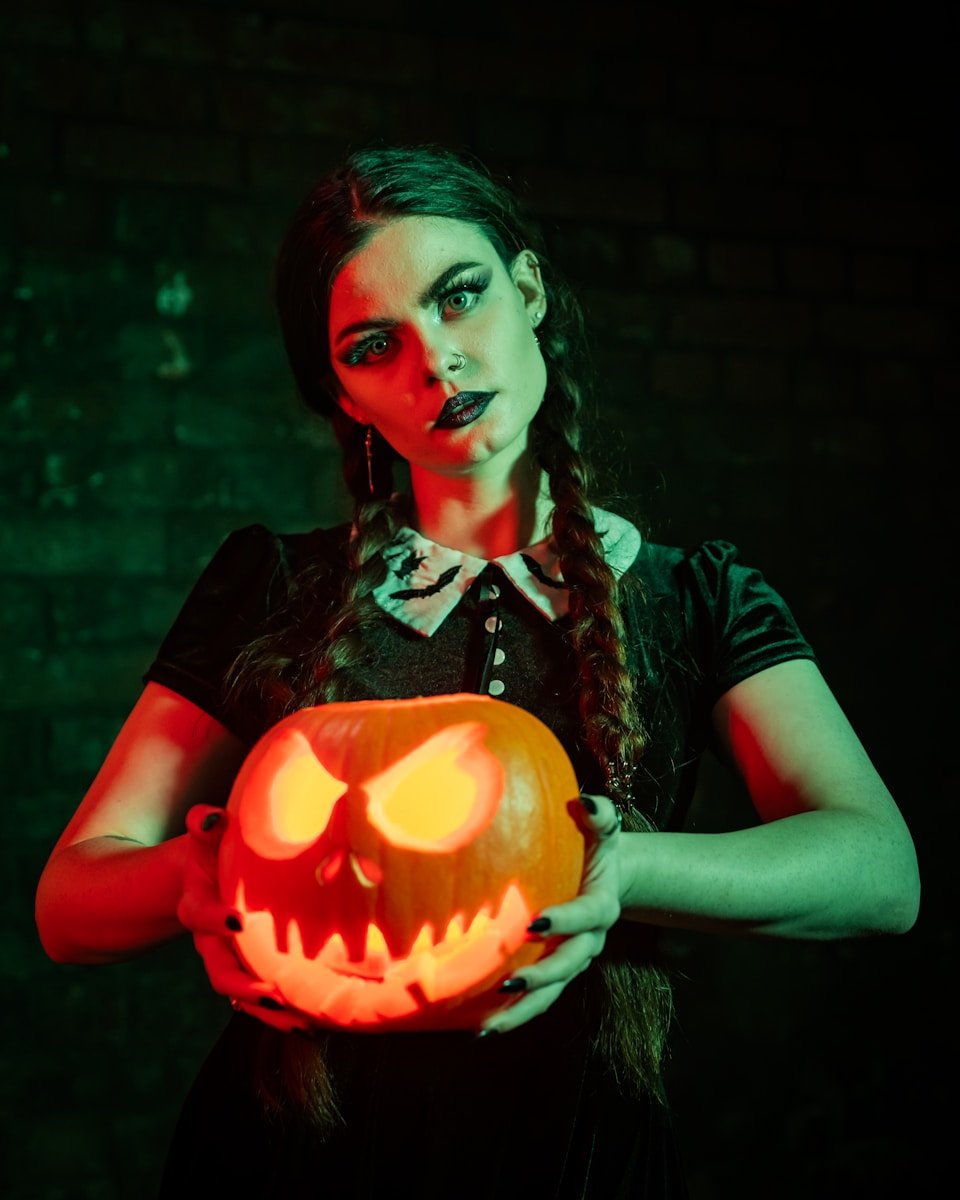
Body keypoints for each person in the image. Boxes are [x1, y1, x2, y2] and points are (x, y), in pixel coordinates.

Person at [35, 143, 920, 1199]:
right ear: (344, 395)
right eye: (375, 346)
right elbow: (68, 900)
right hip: (288, 1160)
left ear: (529, 290)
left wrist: (621, 872)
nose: (436, 362)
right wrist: (202, 880)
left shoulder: (696, 594)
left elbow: (879, 871)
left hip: (578, 1160)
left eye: (460, 296)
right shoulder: (270, 583)